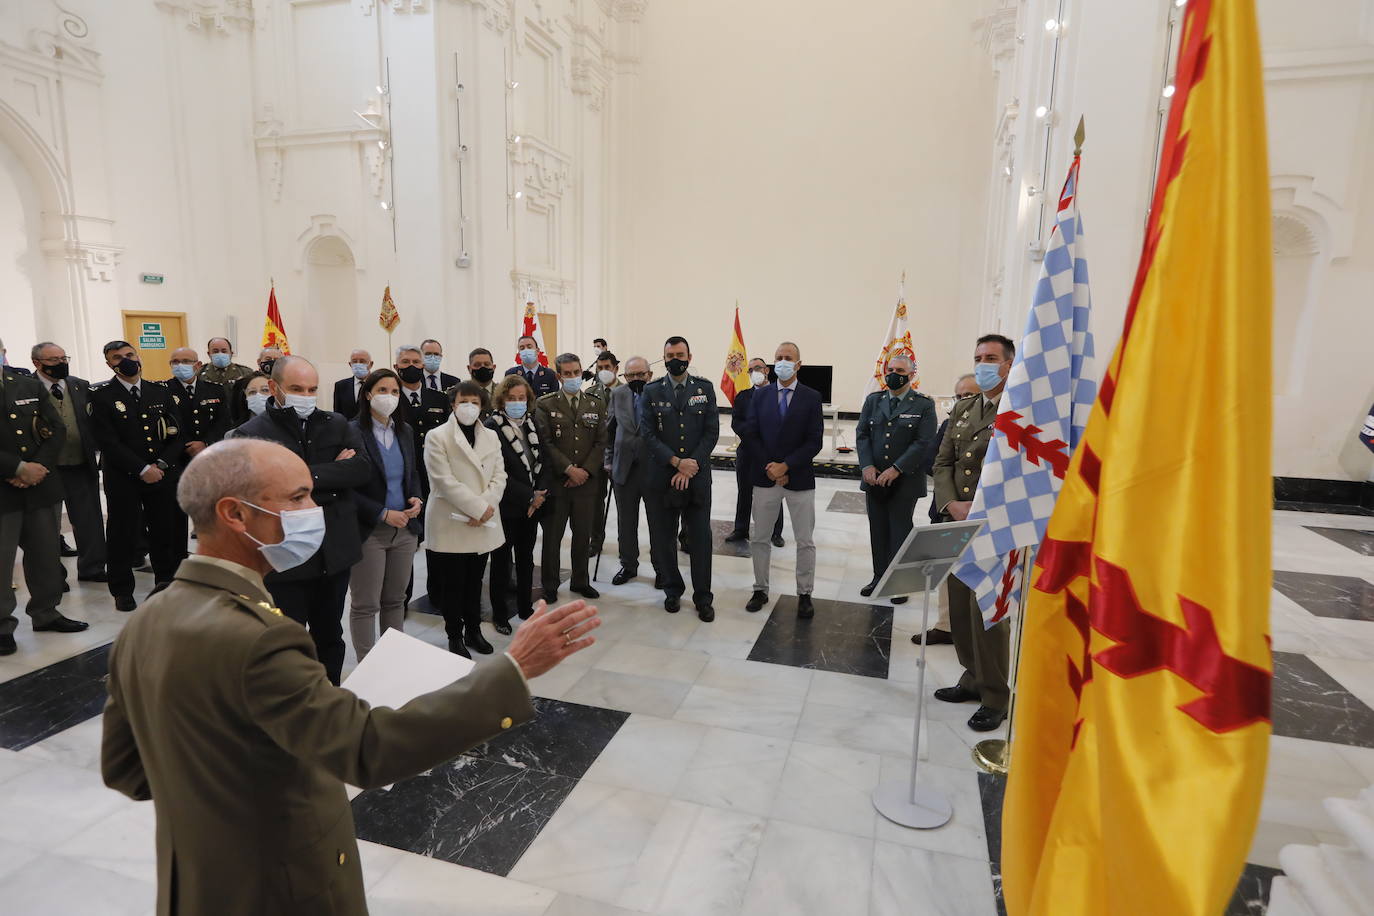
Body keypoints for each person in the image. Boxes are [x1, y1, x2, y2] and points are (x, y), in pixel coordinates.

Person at [100, 437, 599, 916]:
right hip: (282, 887)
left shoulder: (149, 617)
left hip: (198, 884)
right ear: (235, 514)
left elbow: (126, 768)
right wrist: (514, 670)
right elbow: (367, 749)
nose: (313, 509)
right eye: (297, 498)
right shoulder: (258, 637)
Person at [230, 355, 371, 685]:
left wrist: (295, 479)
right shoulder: (251, 433)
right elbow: (255, 490)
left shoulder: (336, 423)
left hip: (332, 553)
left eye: (312, 389)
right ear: (275, 388)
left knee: (330, 637)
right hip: (283, 559)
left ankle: (329, 697)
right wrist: (329, 474)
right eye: (297, 388)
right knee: (287, 641)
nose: (306, 396)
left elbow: (360, 470)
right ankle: (293, 706)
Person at [933, 333, 1016, 732]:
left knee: (989, 612)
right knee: (961, 603)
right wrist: (951, 504)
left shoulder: (1020, 412)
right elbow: (944, 461)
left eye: (992, 358)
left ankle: (996, 695)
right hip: (958, 520)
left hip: (995, 525)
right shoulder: (965, 408)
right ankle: (970, 676)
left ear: (1009, 365)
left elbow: (1018, 473)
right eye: (979, 357)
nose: (984, 364)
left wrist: (978, 508)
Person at [88, 341, 189, 612]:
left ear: (139, 357)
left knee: (164, 531)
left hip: (162, 473)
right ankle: (122, 590)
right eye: (117, 358)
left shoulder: (161, 391)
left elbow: (177, 434)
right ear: (109, 364)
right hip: (123, 476)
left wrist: (162, 464)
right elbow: (107, 442)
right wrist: (142, 469)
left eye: (130, 355)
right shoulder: (100, 395)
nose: (126, 360)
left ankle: (166, 583)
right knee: (123, 534)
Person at [1, 361, 88, 656]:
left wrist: (38, 466)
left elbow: (55, 427)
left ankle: (46, 613)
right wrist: (16, 467)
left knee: (45, 554)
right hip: (3, 489)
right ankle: (2, 626)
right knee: (1, 563)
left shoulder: (26, 384)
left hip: (40, 484)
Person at [741, 342, 824, 619]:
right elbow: (751, 434)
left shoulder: (811, 397)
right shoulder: (761, 396)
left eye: (788, 358)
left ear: (799, 365)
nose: (782, 362)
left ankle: (804, 593)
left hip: (799, 478)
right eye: (778, 358)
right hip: (764, 478)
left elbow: (814, 441)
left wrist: (787, 465)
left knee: (804, 540)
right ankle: (760, 588)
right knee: (761, 538)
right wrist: (771, 467)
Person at [639, 336, 719, 620]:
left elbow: (711, 431)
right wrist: (676, 462)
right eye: (670, 355)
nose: (675, 359)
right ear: (664, 358)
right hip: (663, 477)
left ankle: (703, 597)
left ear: (689, 357)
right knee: (664, 537)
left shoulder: (705, 388)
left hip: (697, 477)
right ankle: (673, 590)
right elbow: (647, 434)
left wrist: (691, 464)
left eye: (680, 354)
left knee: (700, 539)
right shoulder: (651, 391)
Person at [426, 382, 507, 657]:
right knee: (453, 584)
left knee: (475, 581)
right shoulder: (437, 436)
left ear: (482, 406)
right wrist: (476, 508)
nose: (469, 407)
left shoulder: (492, 437)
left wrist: (486, 507)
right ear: (453, 404)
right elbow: (443, 481)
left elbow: (500, 476)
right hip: (452, 520)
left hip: (482, 520)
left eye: (474, 401)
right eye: (463, 401)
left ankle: (474, 630)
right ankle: (454, 635)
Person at [348, 369, 424, 661]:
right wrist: (381, 513)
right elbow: (348, 489)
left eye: (394, 392)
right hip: (370, 531)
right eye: (382, 390)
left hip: (404, 529)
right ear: (368, 394)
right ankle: (368, 665)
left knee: (395, 600)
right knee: (366, 604)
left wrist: (416, 497)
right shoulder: (352, 431)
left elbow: (412, 473)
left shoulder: (404, 431)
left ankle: (393, 661)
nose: (389, 397)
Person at [856, 353, 937, 609]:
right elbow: (862, 435)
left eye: (900, 370)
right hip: (874, 478)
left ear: (911, 374)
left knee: (899, 529)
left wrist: (897, 468)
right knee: (877, 528)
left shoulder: (923, 404)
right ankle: (879, 577)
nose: (894, 374)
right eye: (890, 368)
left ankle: (898, 582)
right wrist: (867, 465)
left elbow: (923, 442)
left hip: (905, 480)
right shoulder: (874, 400)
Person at [908, 373, 978, 647]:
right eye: (959, 396)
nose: (964, 401)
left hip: (980, 511)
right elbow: (931, 461)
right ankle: (946, 626)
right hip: (947, 511)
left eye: (970, 395)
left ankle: (976, 632)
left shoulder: (999, 424)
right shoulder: (949, 424)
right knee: (948, 575)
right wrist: (952, 499)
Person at [31, 342, 107, 584]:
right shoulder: (26, 388)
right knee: (47, 528)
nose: (61, 363)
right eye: (53, 360)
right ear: (37, 363)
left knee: (89, 520)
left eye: (64, 358)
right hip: (45, 469)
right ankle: (54, 576)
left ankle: (92, 568)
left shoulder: (79, 385)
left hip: (81, 463)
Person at [535, 354, 608, 603]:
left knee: (582, 536)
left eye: (576, 372)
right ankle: (550, 585)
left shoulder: (595, 403)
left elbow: (601, 442)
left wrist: (584, 471)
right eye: (567, 373)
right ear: (558, 376)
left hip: (586, 484)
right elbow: (544, 442)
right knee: (553, 538)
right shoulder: (545, 404)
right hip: (558, 483)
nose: (573, 377)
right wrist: (568, 469)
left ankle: (580, 581)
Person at [487, 375, 549, 632]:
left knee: (526, 559)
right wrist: (529, 496)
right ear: (502, 400)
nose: (516, 403)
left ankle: (525, 606)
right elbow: (497, 470)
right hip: (507, 505)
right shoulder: (492, 426)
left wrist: (541, 493)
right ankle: (500, 614)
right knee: (501, 563)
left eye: (521, 398)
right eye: (511, 398)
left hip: (532, 507)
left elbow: (542, 459)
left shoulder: (532, 422)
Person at [395, 345, 452, 608]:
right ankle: (401, 598)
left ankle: (438, 591)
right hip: (405, 480)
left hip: (436, 479)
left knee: (437, 537)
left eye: (416, 361)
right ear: (396, 366)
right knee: (407, 541)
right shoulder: (391, 397)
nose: (412, 365)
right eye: (405, 361)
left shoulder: (439, 398)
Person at [608, 356, 662, 587]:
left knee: (658, 523)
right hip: (624, 469)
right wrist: (608, 461)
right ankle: (628, 565)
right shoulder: (617, 394)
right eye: (631, 375)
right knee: (626, 522)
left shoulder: (660, 394)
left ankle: (662, 568)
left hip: (654, 469)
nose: (636, 379)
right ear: (625, 377)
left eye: (641, 374)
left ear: (649, 375)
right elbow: (609, 431)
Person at [725, 357, 784, 546]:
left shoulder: (780, 394)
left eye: (757, 368)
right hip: (748, 453)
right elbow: (737, 423)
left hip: (772, 453)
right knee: (744, 491)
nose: (753, 373)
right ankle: (741, 529)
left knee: (774, 492)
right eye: (750, 370)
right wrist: (754, 435)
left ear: (766, 370)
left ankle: (776, 532)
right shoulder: (743, 396)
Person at [333, 348, 373, 418]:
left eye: (362, 361)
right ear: (350, 364)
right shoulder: (341, 386)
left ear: (371, 364)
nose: (358, 364)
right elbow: (338, 414)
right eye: (354, 361)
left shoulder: (378, 384)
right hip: (348, 427)